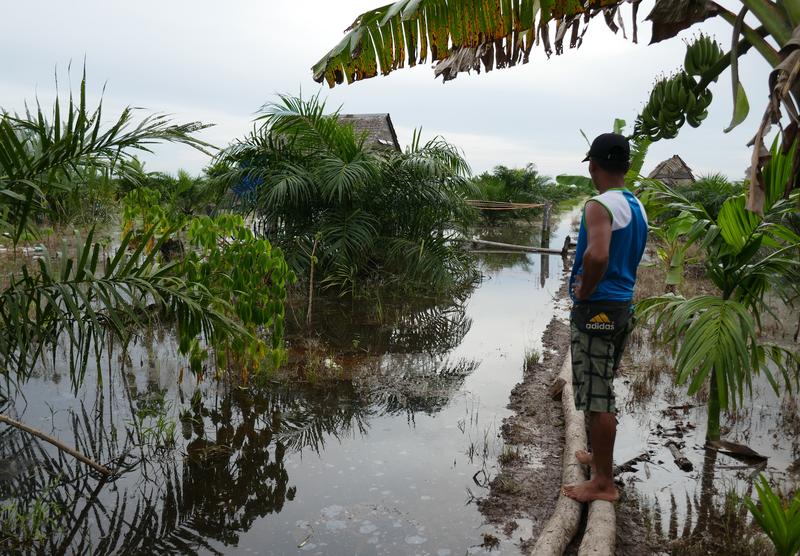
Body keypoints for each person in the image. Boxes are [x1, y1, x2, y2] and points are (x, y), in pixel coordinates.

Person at [562, 133, 648, 503]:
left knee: (598, 399)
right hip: (621, 308)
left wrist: (584, 292)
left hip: (597, 309)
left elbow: (597, 257)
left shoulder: (599, 205)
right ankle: (598, 457)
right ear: (627, 167)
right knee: (604, 383)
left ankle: (602, 483)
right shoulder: (635, 206)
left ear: (593, 166)